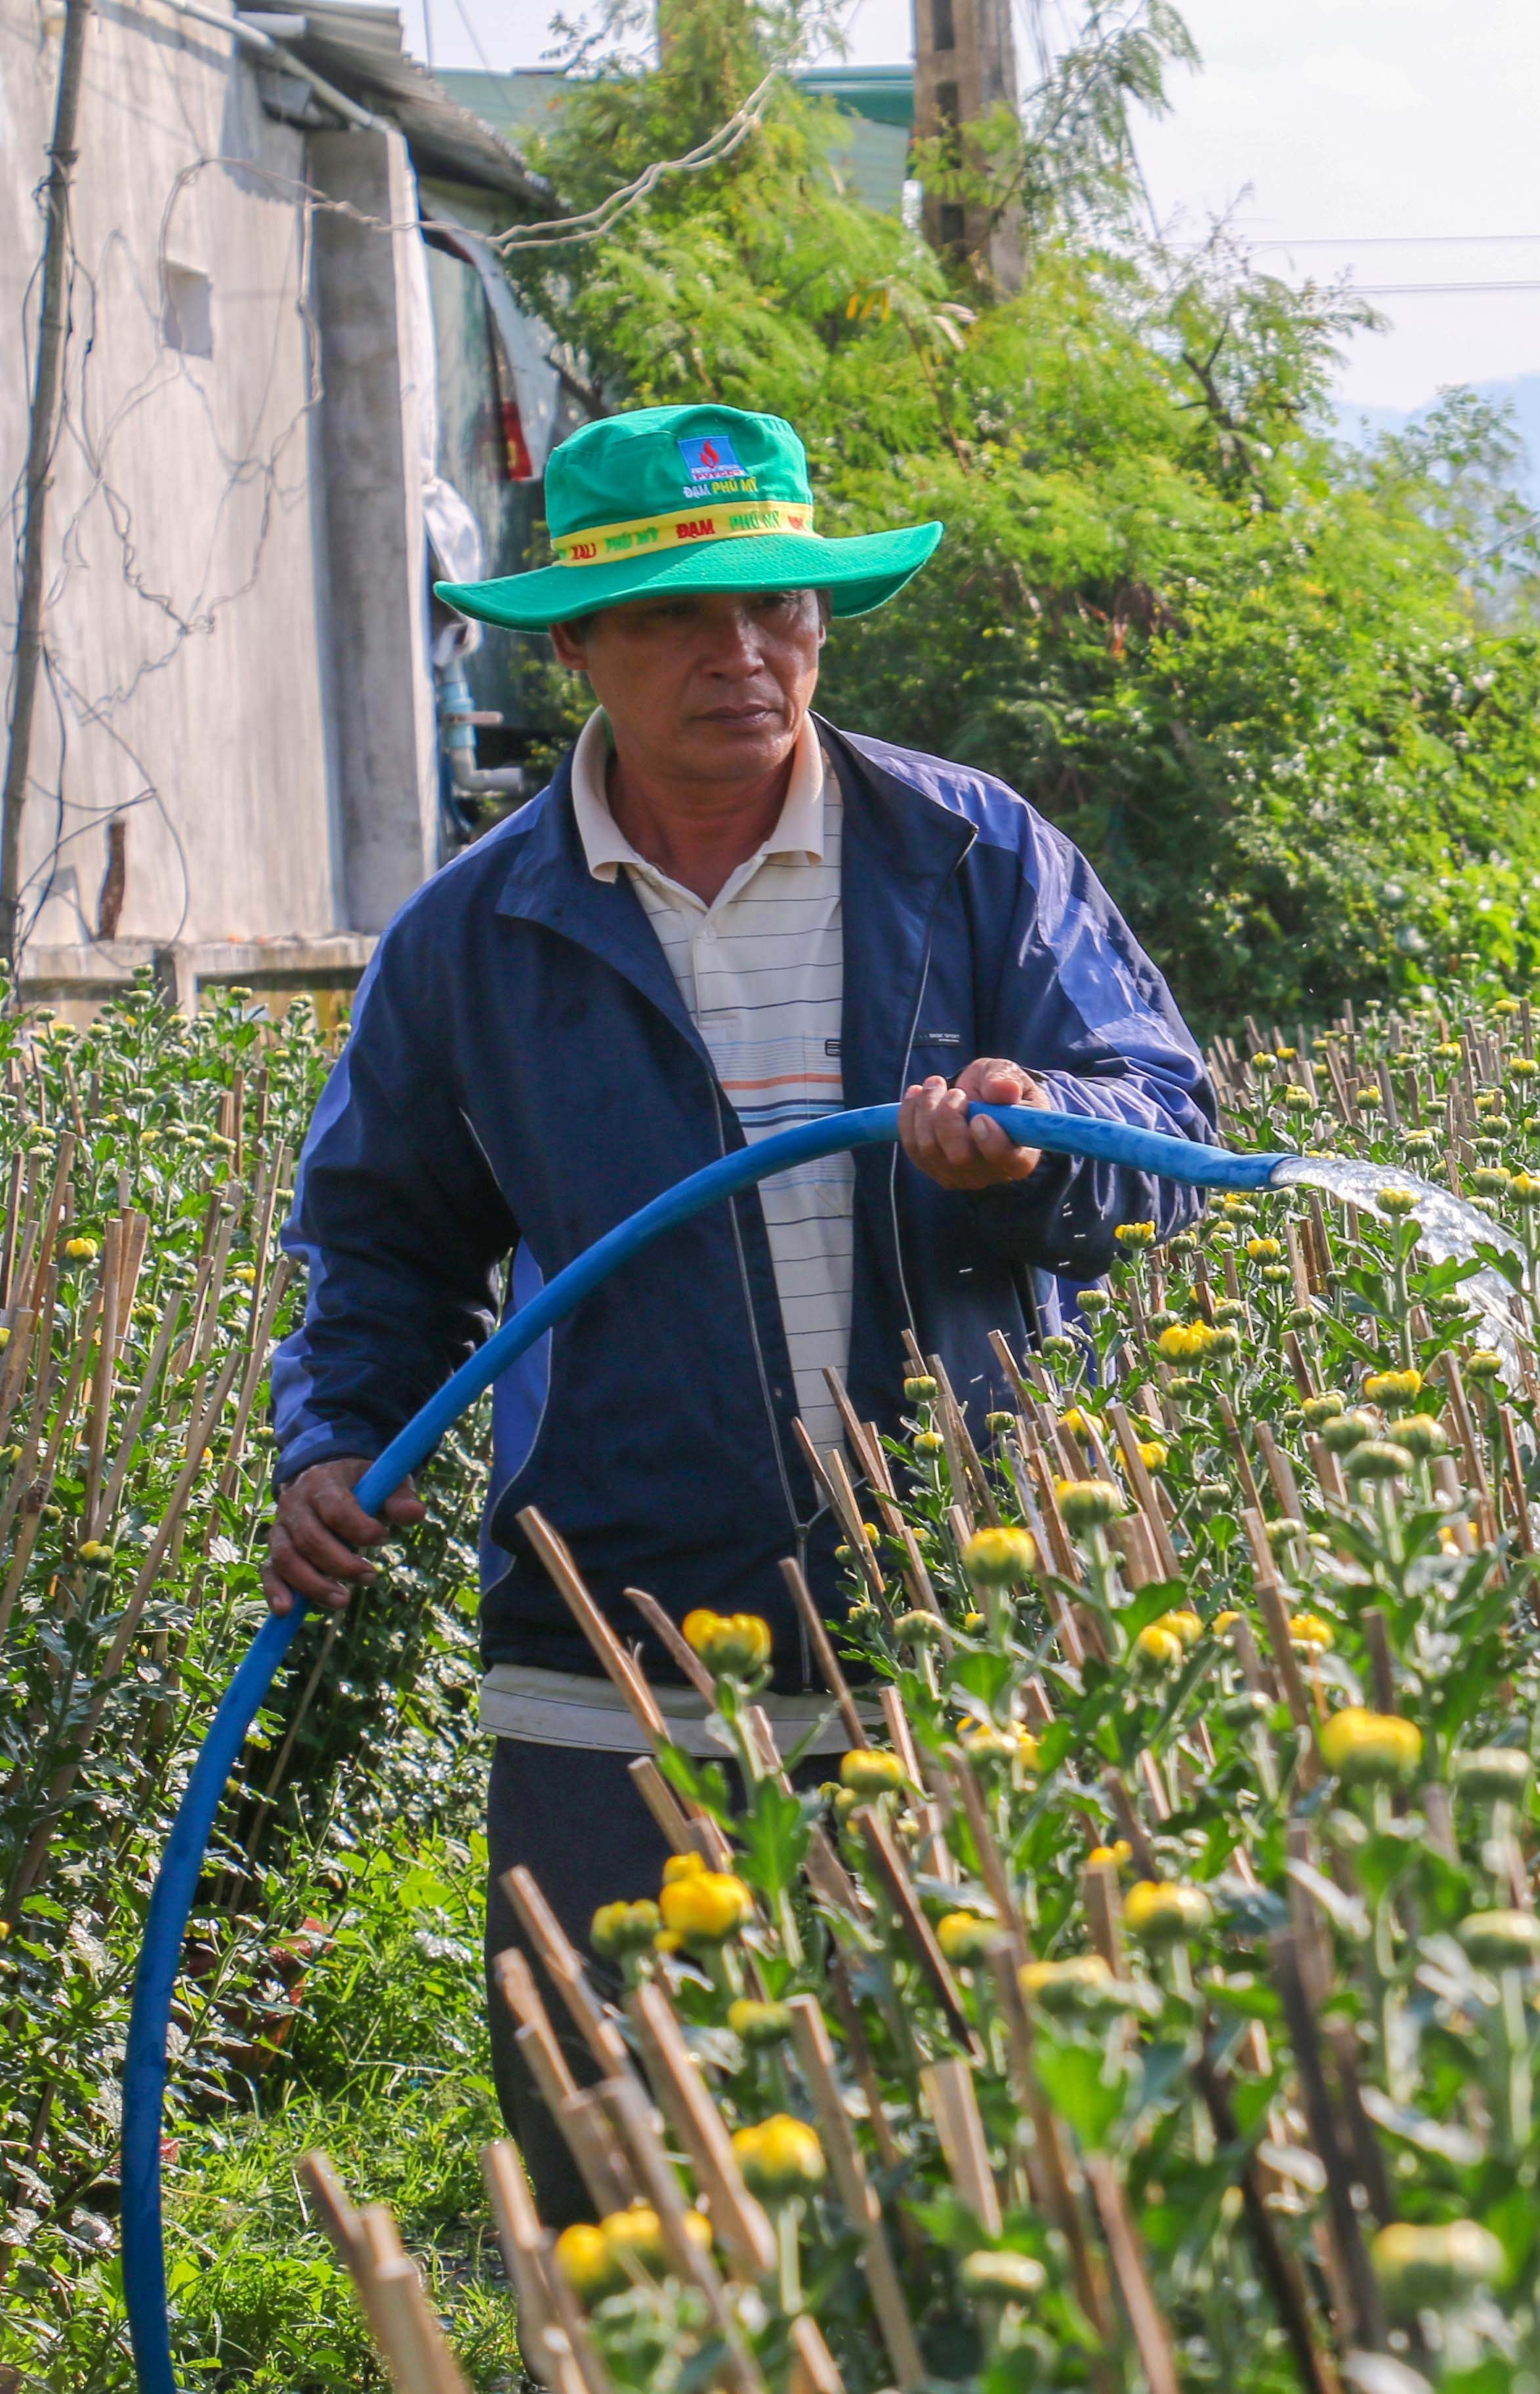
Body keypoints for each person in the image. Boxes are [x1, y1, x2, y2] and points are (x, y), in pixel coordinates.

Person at [265, 403, 1215, 2221]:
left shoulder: (970, 858)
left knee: (985, 2160)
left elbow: (1172, 1128)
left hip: (964, 1610)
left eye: (779, 603)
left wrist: (1037, 1151)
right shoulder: (473, 939)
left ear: (825, 625)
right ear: (574, 655)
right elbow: (382, 1243)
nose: (742, 654)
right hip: (609, 1621)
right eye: (680, 616)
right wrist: (336, 1445)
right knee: (616, 2150)